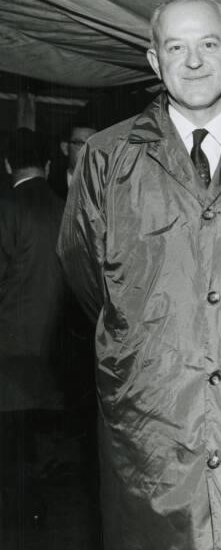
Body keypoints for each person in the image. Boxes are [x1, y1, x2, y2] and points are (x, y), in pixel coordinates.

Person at [57, 0, 221, 550]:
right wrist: (147, 339)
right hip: (154, 415)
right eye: (177, 47)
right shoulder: (107, 156)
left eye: (208, 44)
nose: (194, 61)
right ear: (155, 61)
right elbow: (84, 272)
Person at [0, 127, 67, 530]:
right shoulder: (68, 210)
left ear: (8, 165)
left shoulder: (5, 208)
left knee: (10, 469)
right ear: (47, 165)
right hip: (54, 364)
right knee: (37, 468)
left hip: (6, 364)